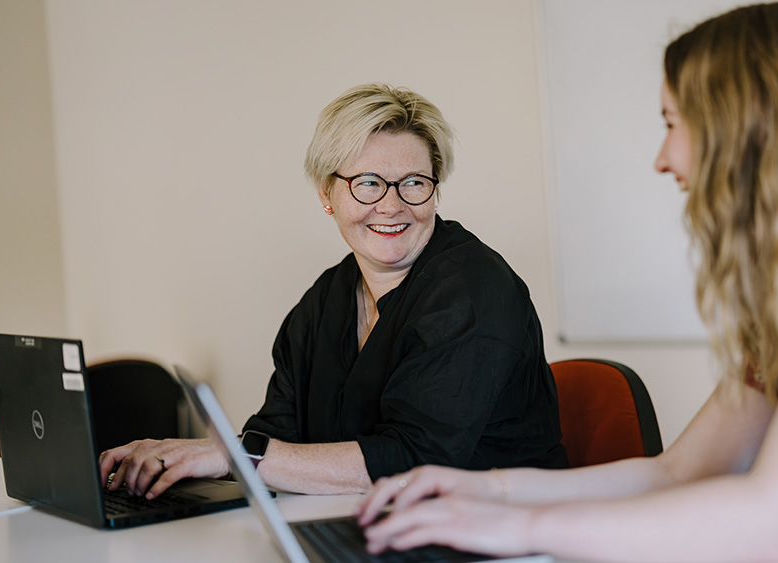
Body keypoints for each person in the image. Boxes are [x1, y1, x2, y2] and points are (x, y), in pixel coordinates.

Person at [357, 3, 778, 560]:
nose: (662, 157)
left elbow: (777, 523)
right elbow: (680, 471)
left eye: (673, 123)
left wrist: (520, 532)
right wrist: (487, 491)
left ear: (743, 127)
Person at [99, 83, 568, 498]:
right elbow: (275, 434)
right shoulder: (324, 301)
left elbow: (414, 461)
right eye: (367, 183)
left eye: (413, 183)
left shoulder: (473, 290)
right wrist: (191, 463)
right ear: (327, 193)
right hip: (369, 529)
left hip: (494, 534)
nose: (392, 204)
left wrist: (238, 455)